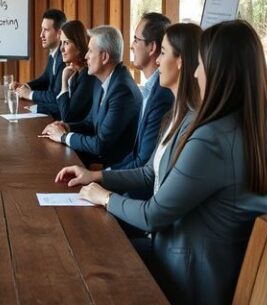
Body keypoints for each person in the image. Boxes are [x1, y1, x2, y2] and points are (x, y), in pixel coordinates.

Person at [76, 21, 267, 305]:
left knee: (96, 262)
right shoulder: (254, 128)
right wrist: (99, 179)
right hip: (216, 274)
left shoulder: (212, 138)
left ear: (218, 72)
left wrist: (104, 196)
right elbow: (152, 175)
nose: (196, 73)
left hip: (195, 291)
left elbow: (153, 215)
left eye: (200, 65)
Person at [55, 22, 202, 203]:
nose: (157, 60)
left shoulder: (155, 98)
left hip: (137, 196)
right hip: (129, 184)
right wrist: (96, 176)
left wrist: (105, 193)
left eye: (162, 53)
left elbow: (149, 183)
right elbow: (147, 171)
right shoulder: (107, 84)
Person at [42, 25, 142, 167]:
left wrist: (64, 137)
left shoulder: (122, 90)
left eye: (90, 51)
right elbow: (90, 123)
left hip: (112, 169)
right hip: (97, 160)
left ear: (105, 57)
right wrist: (66, 126)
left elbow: (100, 144)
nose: (86, 56)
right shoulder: (103, 80)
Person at [109, 12, 174, 175]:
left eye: (136, 40)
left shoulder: (162, 96)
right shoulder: (151, 89)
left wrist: (101, 177)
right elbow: (135, 154)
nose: (131, 46)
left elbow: (142, 162)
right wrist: (104, 172)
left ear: (152, 47)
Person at [12, 8, 66, 116]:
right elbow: (45, 79)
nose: (41, 35)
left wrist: (30, 94)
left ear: (59, 33)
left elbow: (55, 95)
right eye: (42, 29)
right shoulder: (54, 53)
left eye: (46, 30)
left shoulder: (64, 57)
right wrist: (25, 86)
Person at [55, 19, 96, 123]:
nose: (61, 49)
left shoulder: (87, 76)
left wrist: (64, 83)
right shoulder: (76, 73)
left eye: (66, 43)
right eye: (61, 43)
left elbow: (67, 117)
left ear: (78, 46)